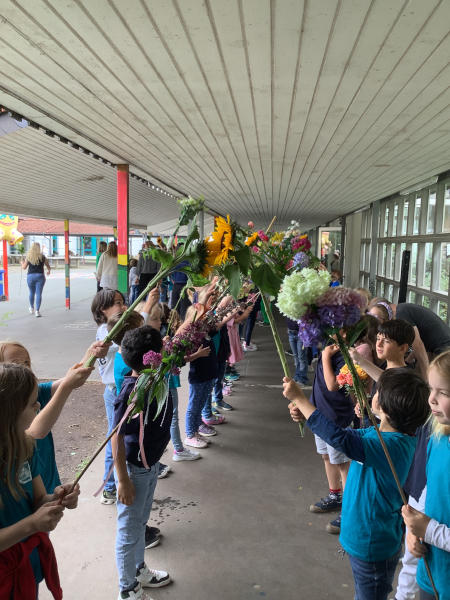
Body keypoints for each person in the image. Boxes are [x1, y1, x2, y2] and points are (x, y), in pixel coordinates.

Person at [284, 368, 430, 600]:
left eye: (378, 391)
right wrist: (306, 414)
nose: (373, 393)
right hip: (363, 540)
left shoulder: (391, 445)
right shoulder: (383, 435)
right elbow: (344, 436)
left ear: (387, 410)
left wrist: (301, 399)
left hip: (372, 545)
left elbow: (340, 439)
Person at [0, 362, 80, 597]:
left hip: (27, 562)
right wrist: (32, 524)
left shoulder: (26, 447)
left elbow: (37, 499)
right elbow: (32, 520)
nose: (38, 405)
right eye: (31, 402)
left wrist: (56, 498)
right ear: (9, 411)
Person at [111, 326, 172, 600]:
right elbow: (115, 436)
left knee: (139, 523)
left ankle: (139, 571)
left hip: (150, 466)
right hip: (134, 470)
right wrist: (122, 480)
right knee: (128, 529)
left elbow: (174, 348)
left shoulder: (154, 375)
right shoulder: (132, 391)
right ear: (154, 356)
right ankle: (127, 588)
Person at [0, 340, 101, 493]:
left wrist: (91, 353)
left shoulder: (36, 392)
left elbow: (74, 379)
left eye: (27, 362)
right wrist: (67, 386)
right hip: (26, 492)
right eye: (17, 364)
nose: (26, 368)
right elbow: (37, 431)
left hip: (48, 481)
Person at [401, 350, 450, 600]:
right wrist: (414, 531)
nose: (431, 399)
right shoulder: (437, 435)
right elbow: (427, 493)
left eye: (444, 393)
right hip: (430, 573)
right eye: (432, 389)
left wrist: (429, 530)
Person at [307, 341, 354, 534]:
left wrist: (325, 356)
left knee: (343, 464)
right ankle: (335, 495)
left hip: (337, 417)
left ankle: (350, 510)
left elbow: (333, 385)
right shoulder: (327, 343)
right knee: (326, 456)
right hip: (321, 412)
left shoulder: (346, 352)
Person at [369, 298, 450, 378]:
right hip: (434, 346)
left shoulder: (401, 313)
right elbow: (418, 343)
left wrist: (427, 378)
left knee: (438, 380)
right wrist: (407, 361)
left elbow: (418, 345)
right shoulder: (403, 309)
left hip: (443, 347)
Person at [21, 242, 50, 317]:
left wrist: (22, 262)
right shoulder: (42, 257)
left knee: (31, 292)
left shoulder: (29, 256)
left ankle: (31, 307)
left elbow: (24, 267)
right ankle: (37, 311)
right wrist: (49, 270)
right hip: (40, 276)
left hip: (30, 276)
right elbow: (48, 266)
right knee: (39, 294)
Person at [286, 318, 308, 385]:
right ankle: (297, 376)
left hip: (301, 333)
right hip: (291, 333)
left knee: (301, 357)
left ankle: (302, 379)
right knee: (296, 356)